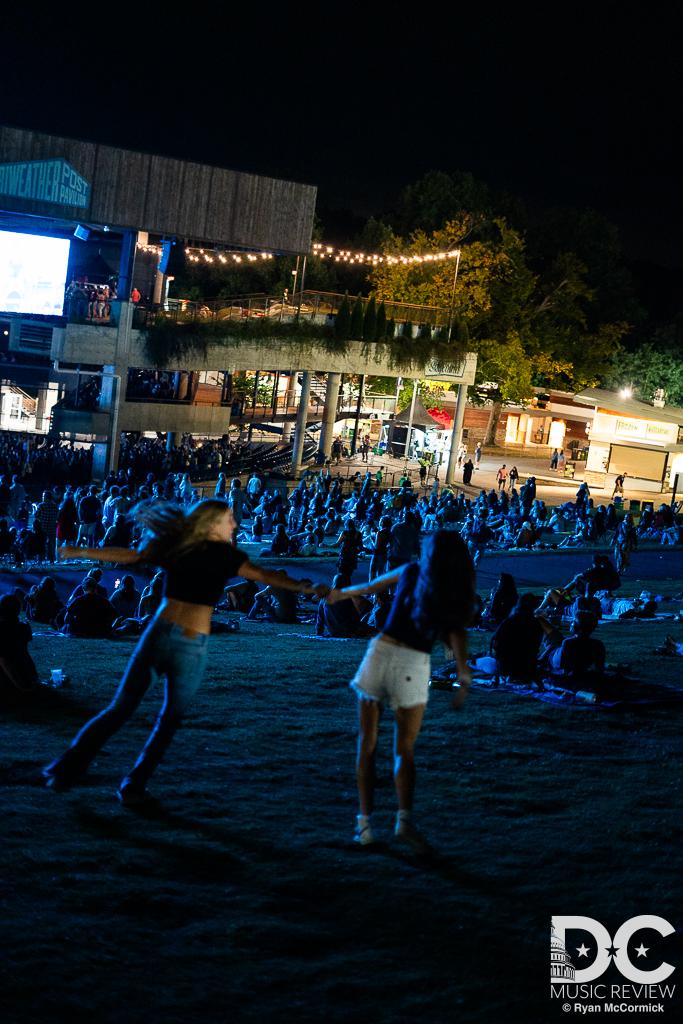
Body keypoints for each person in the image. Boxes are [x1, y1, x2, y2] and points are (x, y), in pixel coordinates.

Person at [43, 499, 327, 805]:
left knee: (121, 708)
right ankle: (133, 785)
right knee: (167, 720)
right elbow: (265, 576)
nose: (234, 524)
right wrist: (307, 588)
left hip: (160, 633)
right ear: (212, 523)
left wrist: (83, 552)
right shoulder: (226, 555)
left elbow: (132, 556)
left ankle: (66, 770)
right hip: (190, 643)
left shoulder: (180, 546)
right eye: (229, 519)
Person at [325, 531, 475, 852]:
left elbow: (368, 588)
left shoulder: (410, 571)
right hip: (413, 664)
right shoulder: (455, 592)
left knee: (367, 744)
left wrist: (337, 595)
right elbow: (456, 638)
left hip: (379, 654)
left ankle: (364, 827)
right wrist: (462, 674)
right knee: (402, 750)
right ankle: (404, 821)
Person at [0, 594, 38, 692]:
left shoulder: (2, 629)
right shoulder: (24, 626)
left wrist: (20, 687)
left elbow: (4, 660)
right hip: (25, 676)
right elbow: (28, 639)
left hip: (7, 681)